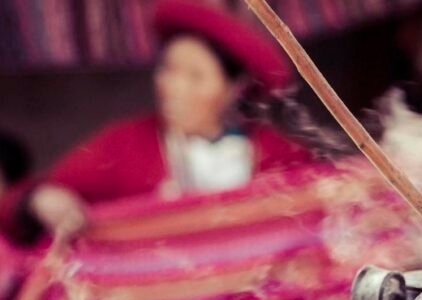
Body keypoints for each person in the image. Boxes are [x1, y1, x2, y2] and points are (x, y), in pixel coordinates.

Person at [0, 0, 312, 247]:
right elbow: (18, 202)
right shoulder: (123, 145)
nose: (173, 86)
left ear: (235, 88)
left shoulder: (280, 154)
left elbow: (318, 212)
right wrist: (37, 201)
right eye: (168, 69)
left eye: (195, 76)